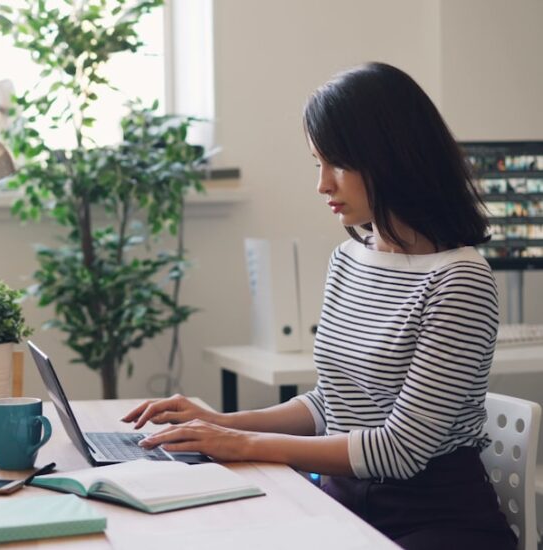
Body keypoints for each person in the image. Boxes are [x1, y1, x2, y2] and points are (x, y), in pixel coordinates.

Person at [121, 62, 516, 550]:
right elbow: (332, 403)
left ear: (394, 158)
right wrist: (219, 423)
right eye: (317, 163)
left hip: (432, 521)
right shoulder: (350, 259)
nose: (323, 185)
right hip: (342, 503)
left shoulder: (460, 278)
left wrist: (241, 445)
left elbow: (401, 449)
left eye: (339, 165)